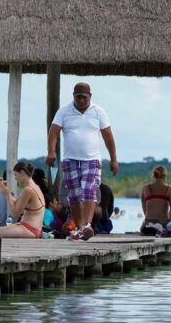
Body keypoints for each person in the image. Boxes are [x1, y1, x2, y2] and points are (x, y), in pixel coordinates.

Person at [46, 82, 118, 241]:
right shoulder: (64, 111)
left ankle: (86, 226)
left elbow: (108, 137)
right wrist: (51, 151)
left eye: (84, 97)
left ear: (90, 97)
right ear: (73, 97)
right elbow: (54, 132)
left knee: (88, 191)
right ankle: (79, 228)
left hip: (91, 159)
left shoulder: (99, 112)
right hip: (70, 160)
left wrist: (114, 159)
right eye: (78, 97)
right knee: (74, 195)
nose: (81, 100)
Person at [0, 161, 45, 238]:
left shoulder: (28, 190)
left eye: (16, 175)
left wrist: (7, 194)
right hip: (31, 228)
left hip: (29, 229)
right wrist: (6, 190)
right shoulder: (34, 187)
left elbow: (15, 214)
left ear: (22, 172)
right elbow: (16, 203)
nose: (15, 178)